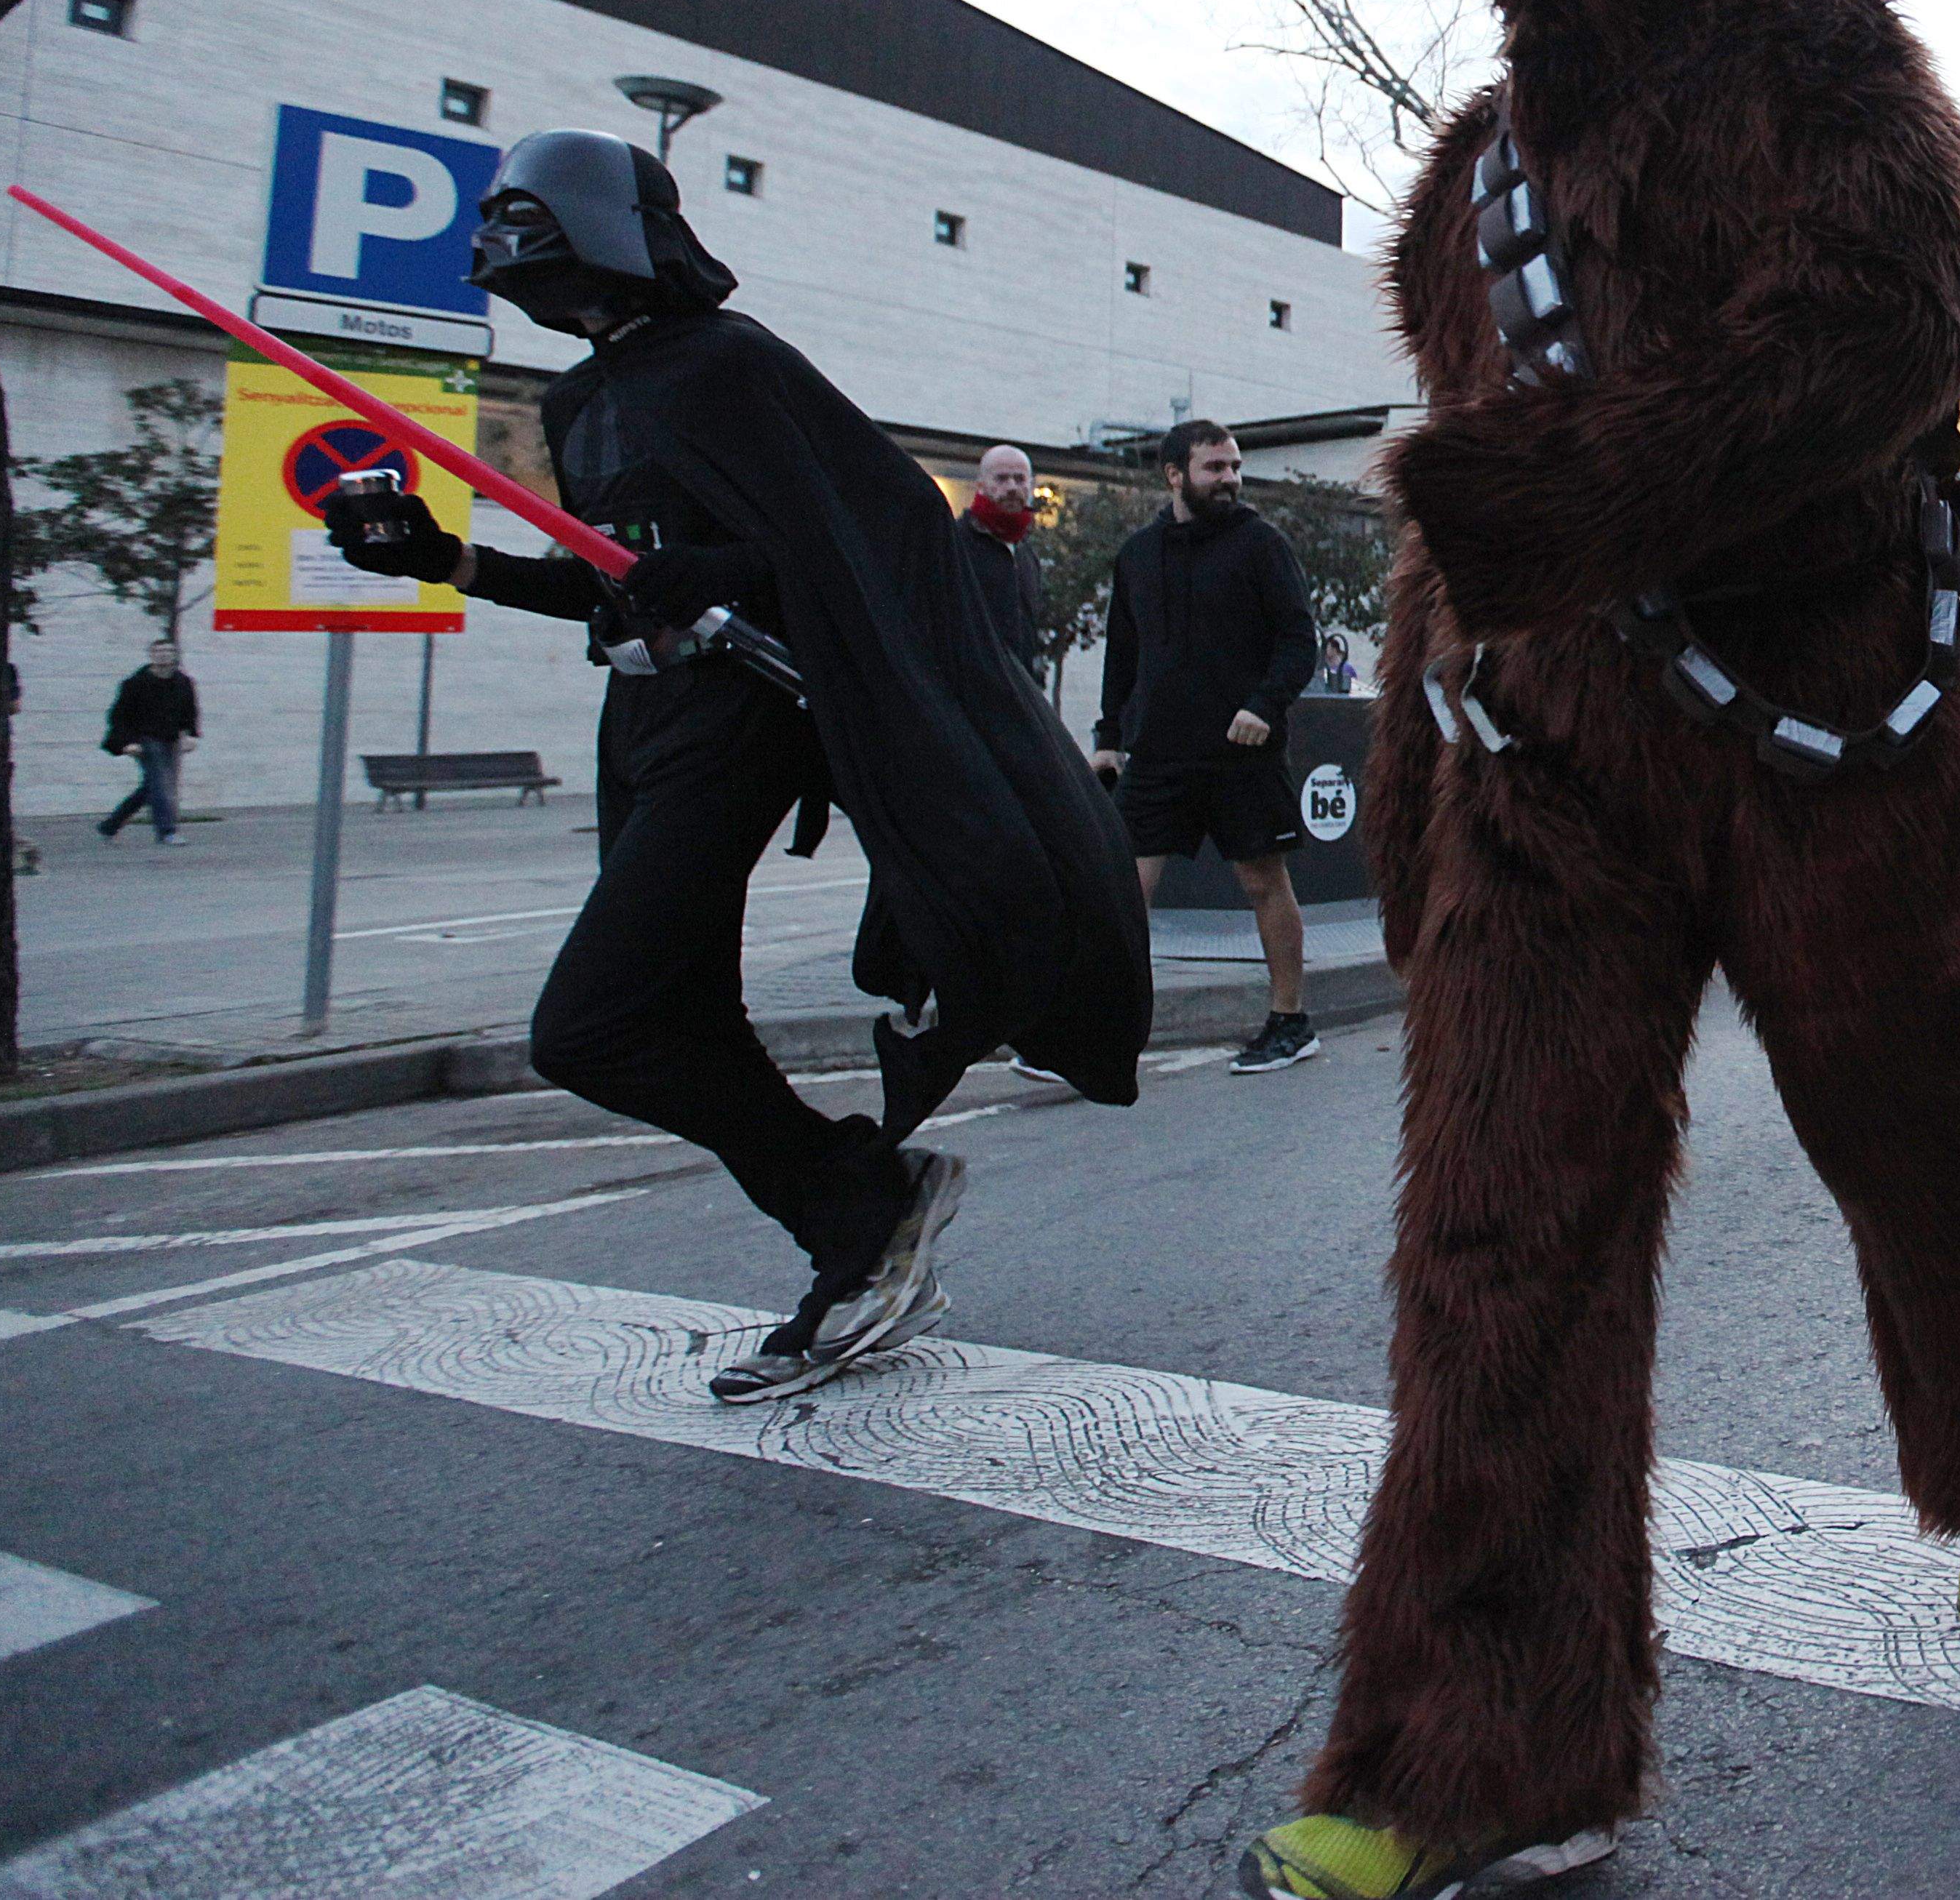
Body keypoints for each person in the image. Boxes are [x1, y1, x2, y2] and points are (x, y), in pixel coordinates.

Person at [1243, 0, 1960, 1899]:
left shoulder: (1819, 47)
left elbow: (1895, 324)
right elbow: (1448, 553)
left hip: (1841, 735)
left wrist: (1562, 498)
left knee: (1930, 1128)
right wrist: (1415, 807)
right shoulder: (1461, 193)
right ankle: (1465, 1755)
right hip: (1544, 784)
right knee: (1495, 1241)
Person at [324, 129, 1149, 1403]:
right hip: (641, 723)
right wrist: (448, 559)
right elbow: (612, 581)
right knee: (668, 1015)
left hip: (742, 719)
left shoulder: (731, 363)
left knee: (589, 1024)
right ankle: (856, 1225)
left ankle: (859, 1201)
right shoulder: (579, 402)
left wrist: (736, 566)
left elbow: (875, 528)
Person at [1091, 421, 1322, 1076]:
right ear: (1175, 475)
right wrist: (1108, 739)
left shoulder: (1262, 545)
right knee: (1122, 890)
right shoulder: (1138, 555)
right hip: (1158, 756)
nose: (1229, 479)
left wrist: (1263, 706)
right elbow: (1122, 655)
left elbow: (1298, 642)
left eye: (1234, 467)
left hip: (1242, 754)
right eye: (1214, 468)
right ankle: (1103, 1030)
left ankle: (1290, 1021)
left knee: (1263, 882)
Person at [96, 638, 198, 844]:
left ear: (175, 655)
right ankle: (167, 832)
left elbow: (190, 711)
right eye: (159, 651)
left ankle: (110, 826)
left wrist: (190, 735)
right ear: (151, 655)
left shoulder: (183, 682)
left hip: (170, 739)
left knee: (152, 787)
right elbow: (118, 716)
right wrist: (127, 742)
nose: (164, 655)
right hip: (145, 740)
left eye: (168, 651)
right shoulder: (135, 683)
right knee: (160, 785)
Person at [956, 444, 1044, 668]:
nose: (1012, 487)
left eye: (1020, 479)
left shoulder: (1026, 552)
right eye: (1001, 479)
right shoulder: (956, 544)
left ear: (1031, 485)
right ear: (981, 485)